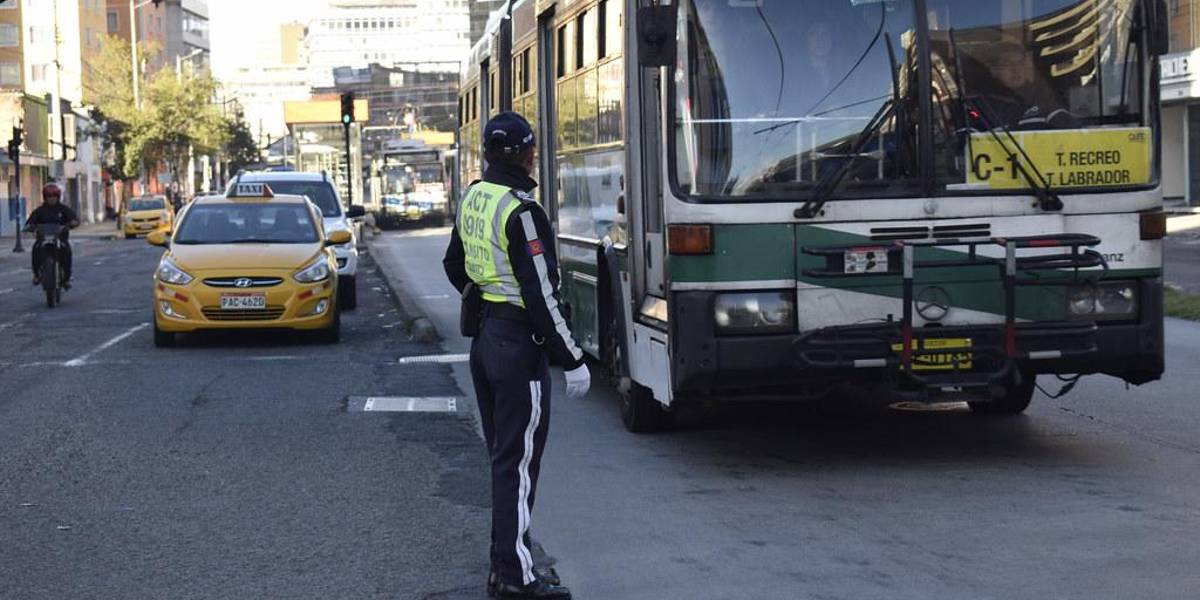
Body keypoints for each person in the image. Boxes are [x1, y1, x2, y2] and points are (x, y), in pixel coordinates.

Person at [443, 111, 590, 600]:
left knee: (505, 462)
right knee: (519, 464)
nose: (534, 155)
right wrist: (571, 357)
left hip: (484, 344)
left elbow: (452, 263)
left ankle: (503, 566)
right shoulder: (522, 211)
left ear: (487, 153)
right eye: (533, 148)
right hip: (516, 351)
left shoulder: (475, 198)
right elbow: (541, 293)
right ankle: (516, 577)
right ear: (527, 154)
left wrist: (481, 295)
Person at [26, 181, 79, 287]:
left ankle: (67, 277)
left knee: (67, 251)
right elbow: (30, 222)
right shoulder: (40, 211)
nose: (51, 198)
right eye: (49, 196)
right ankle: (36, 274)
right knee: (35, 249)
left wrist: (73, 222)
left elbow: (74, 219)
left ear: (58, 196)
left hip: (60, 239)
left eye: (54, 195)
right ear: (45, 197)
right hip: (43, 240)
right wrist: (30, 227)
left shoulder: (63, 209)